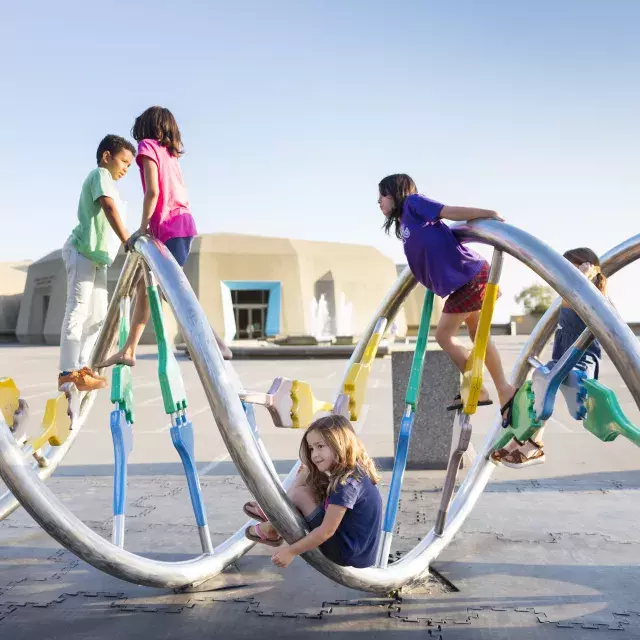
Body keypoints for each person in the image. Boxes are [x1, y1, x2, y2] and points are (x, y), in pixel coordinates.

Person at [97, 106, 232, 368]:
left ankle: (215, 343)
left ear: (147, 129)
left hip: (169, 227)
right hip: (181, 225)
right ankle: (129, 349)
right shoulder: (170, 155)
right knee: (147, 290)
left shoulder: (148, 146)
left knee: (175, 291)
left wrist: (142, 228)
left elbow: (153, 192)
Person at [378, 173, 517, 418]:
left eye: (382, 195)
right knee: (478, 334)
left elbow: (448, 211)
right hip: (466, 280)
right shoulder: (405, 221)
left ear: (396, 193)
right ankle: (501, 389)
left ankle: (479, 387)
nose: (379, 202)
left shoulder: (413, 203)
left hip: (470, 277)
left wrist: (487, 212)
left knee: (444, 335)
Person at [491, 247, 607, 468]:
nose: (560, 274)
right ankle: (525, 437)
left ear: (586, 268)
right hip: (563, 361)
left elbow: (577, 300)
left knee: (547, 380)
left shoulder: (593, 298)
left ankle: (535, 445)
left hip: (579, 365)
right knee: (536, 382)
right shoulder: (570, 292)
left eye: (567, 269)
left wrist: (582, 278)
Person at [243, 414, 382, 569]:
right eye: (311, 448)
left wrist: (291, 551)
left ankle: (274, 523)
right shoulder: (353, 470)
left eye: (320, 446)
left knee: (299, 494)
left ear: (340, 444)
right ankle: (276, 515)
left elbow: (326, 531)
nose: (314, 454)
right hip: (352, 546)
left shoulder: (346, 484)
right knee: (308, 471)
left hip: (346, 552)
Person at [58, 135, 135, 391]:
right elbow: (109, 209)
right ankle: (68, 372)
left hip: (97, 259)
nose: (126, 168)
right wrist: (128, 241)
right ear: (106, 157)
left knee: (99, 316)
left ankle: (82, 368)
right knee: (78, 309)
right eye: (124, 161)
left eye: (129, 165)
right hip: (81, 250)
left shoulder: (112, 185)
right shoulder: (100, 175)